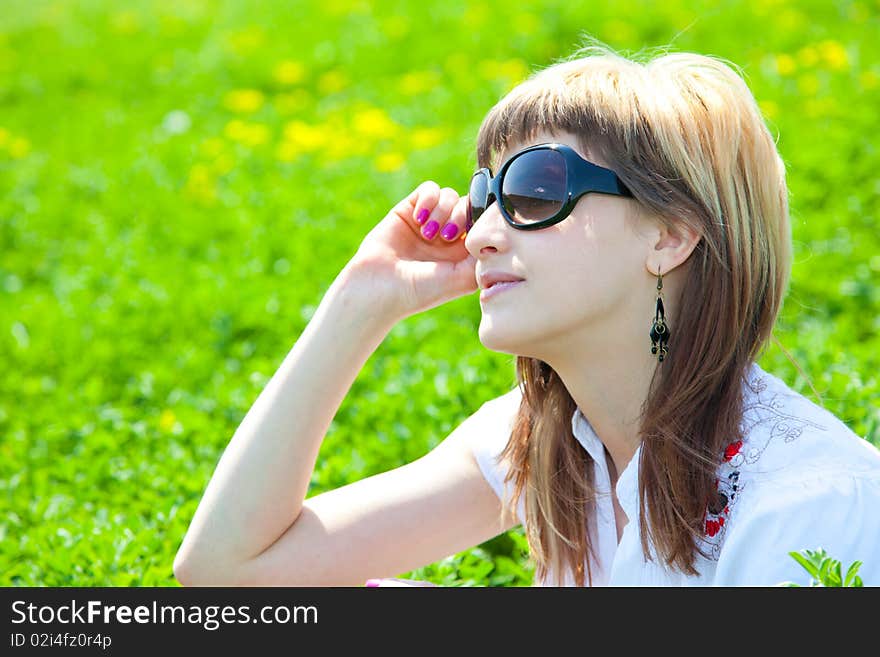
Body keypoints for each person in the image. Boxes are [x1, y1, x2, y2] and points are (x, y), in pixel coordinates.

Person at [173, 42, 880, 587]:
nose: (481, 230)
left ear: (669, 235)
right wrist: (361, 302)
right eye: (485, 193)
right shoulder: (543, 440)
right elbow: (227, 575)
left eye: (537, 189)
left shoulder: (807, 506)